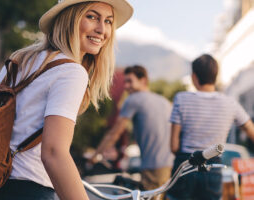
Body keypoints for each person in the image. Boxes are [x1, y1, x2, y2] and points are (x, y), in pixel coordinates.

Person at [0, 0, 133, 200]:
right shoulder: (72, 72)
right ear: (70, 18)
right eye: (92, 17)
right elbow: (54, 153)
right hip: (27, 191)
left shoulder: (22, 59)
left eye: (108, 21)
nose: (101, 29)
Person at [167, 54, 254, 200]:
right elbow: (250, 129)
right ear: (216, 76)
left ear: (194, 76)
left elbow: (174, 146)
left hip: (185, 165)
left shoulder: (181, 99)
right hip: (213, 167)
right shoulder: (230, 103)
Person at [91, 65, 174, 195]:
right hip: (172, 166)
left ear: (143, 81)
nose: (126, 86)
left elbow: (115, 133)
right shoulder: (164, 101)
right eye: (125, 81)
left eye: (130, 81)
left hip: (153, 167)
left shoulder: (133, 99)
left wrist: (95, 156)